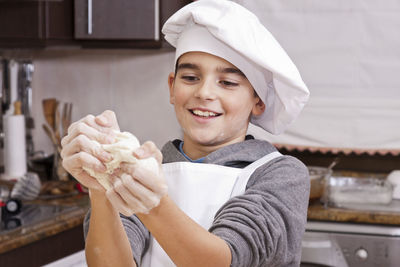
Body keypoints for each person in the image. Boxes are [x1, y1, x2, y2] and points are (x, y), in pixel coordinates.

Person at [61, 0, 310, 266]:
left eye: (227, 82)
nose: (204, 93)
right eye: (190, 78)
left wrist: (152, 204)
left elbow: (224, 260)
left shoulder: (280, 175)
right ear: (172, 86)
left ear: (258, 100)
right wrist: (101, 187)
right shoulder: (145, 168)